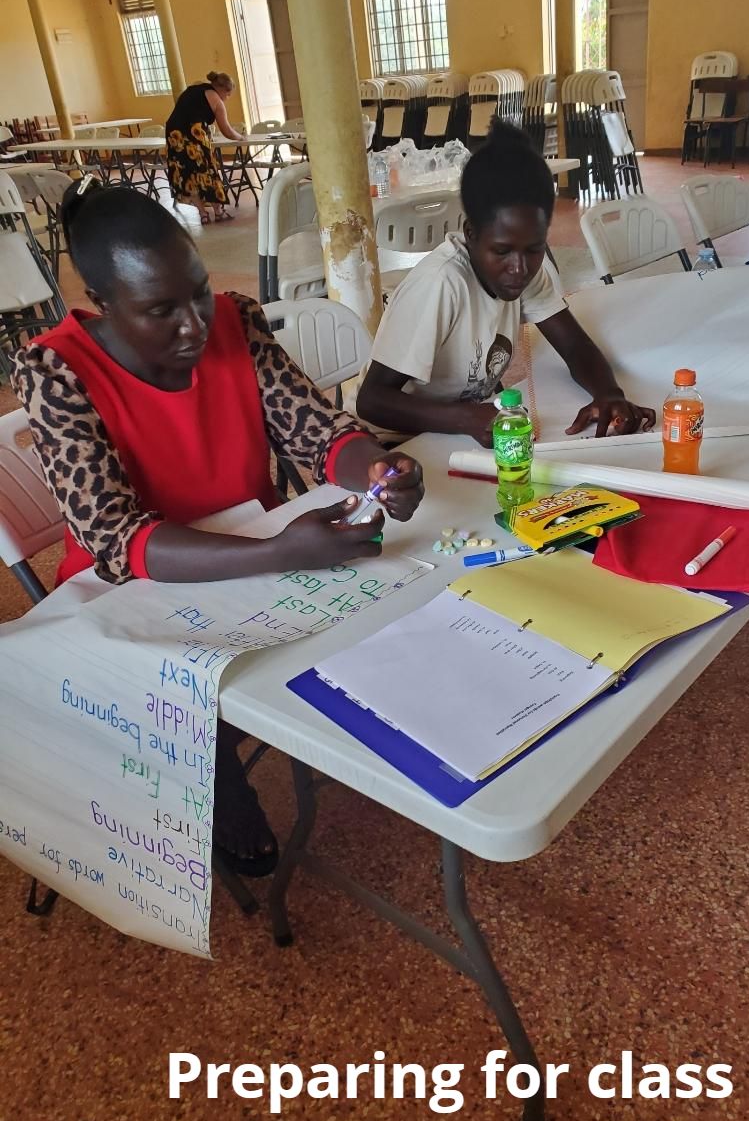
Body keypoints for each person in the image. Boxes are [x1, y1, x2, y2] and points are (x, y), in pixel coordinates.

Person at [11, 183, 424, 876]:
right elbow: (115, 538)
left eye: (199, 292)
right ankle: (209, 778)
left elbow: (318, 430)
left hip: (255, 550)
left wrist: (376, 466)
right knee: (185, 692)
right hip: (131, 587)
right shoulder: (56, 370)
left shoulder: (237, 323)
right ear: (103, 303)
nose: (194, 325)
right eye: (160, 310)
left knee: (387, 605)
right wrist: (278, 551)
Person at [356, 119, 655, 445]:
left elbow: (574, 346)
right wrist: (467, 419)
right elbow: (372, 401)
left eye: (534, 249)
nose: (519, 268)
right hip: (394, 443)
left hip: (454, 436)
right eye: (502, 251)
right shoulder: (442, 284)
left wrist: (608, 393)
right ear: (471, 234)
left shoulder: (525, 273)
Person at [166, 71, 244, 224]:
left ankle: (203, 214)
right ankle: (218, 212)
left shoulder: (194, 89)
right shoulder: (216, 100)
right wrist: (241, 137)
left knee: (186, 173)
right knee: (207, 171)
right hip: (194, 133)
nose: (227, 98)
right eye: (228, 95)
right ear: (223, 90)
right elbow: (227, 130)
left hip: (173, 133)